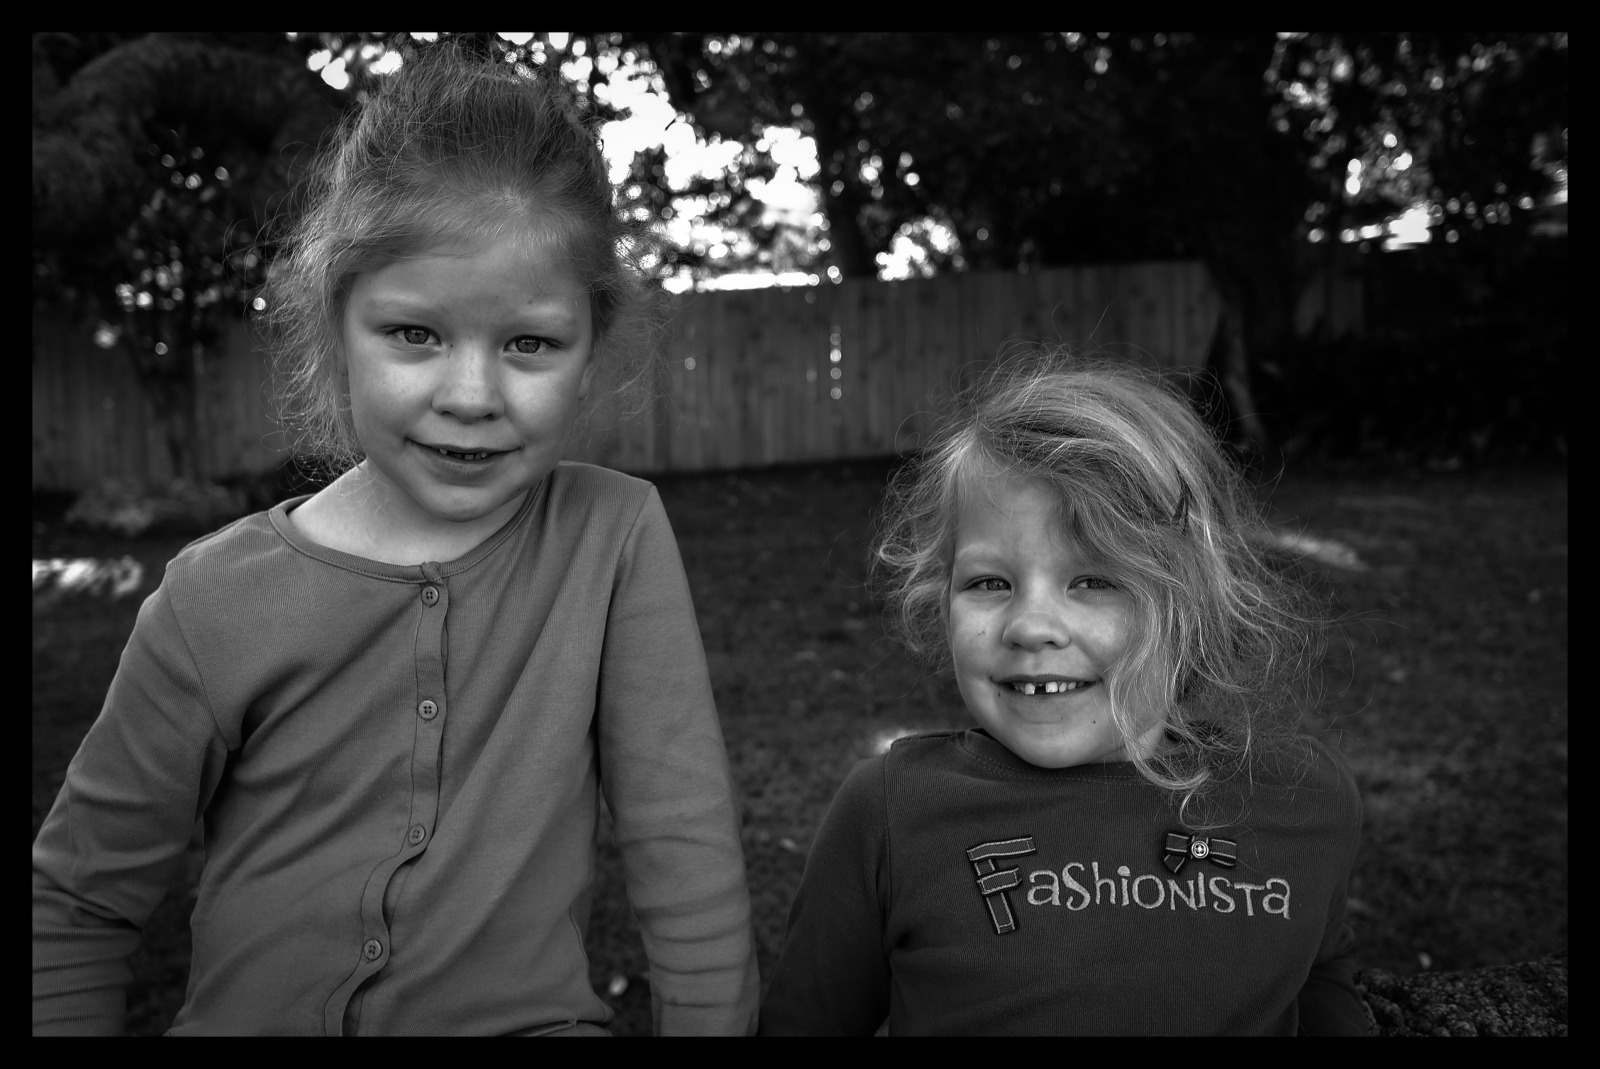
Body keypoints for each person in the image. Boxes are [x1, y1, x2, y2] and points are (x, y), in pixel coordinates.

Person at [32, 43, 759, 1037]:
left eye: (530, 343)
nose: (470, 395)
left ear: (592, 350)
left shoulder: (613, 537)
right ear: (336, 328)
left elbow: (685, 851)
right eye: (414, 333)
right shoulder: (212, 598)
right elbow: (77, 901)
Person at [760, 351, 1366, 1036]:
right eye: (990, 582)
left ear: (1192, 604)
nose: (1029, 626)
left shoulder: (1305, 802)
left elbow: (1321, 982)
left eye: (1094, 580)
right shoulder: (888, 815)